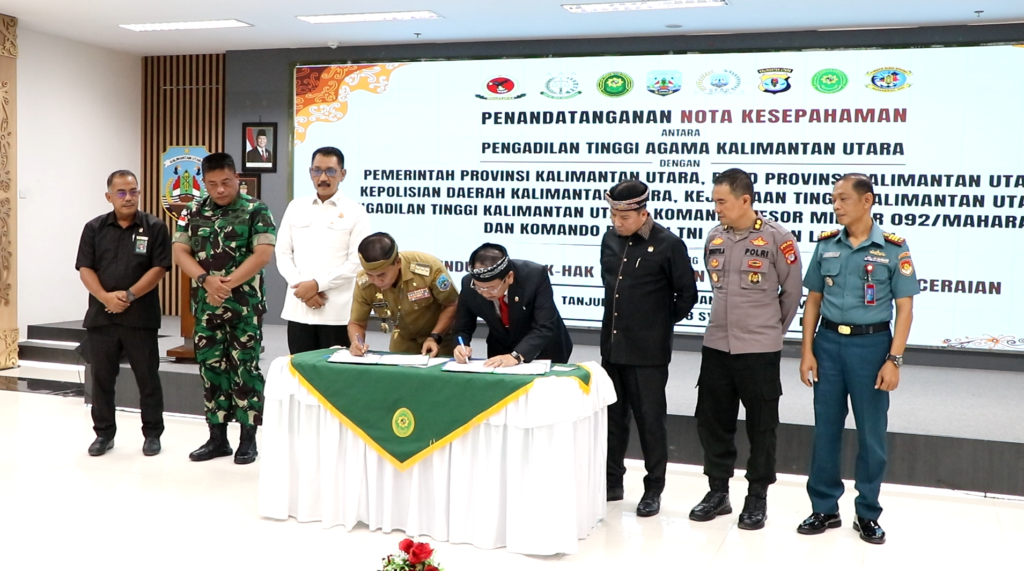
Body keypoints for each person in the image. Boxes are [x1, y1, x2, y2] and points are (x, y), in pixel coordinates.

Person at [797, 173, 917, 545]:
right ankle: (824, 507)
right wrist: (806, 351)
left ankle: (867, 512)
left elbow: (905, 308)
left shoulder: (893, 249)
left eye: (844, 198)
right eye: (834, 199)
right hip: (829, 345)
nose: (836, 205)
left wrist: (894, 360)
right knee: (826, 430)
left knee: (871, 434)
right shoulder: (826, 245)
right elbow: (813, 302)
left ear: (867, 201)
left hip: (872, 347)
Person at [688, 168, 803, 530]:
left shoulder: (777, 238)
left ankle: (757, 497)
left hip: (759, 350)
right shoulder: (714, 237)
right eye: (715, 202)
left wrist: (768, 332)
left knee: (762, 426)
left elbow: (792, 293)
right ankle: (718, 491)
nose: (717, 208)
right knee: (712, 421)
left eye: (722, 201)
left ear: (745, 200)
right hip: (717, 346)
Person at [600, 179, 698, 517]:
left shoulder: (668, 244)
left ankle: (653, 489)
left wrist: (658, 324)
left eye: (624, 217)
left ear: (643, 214)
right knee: (613, 419)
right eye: (613, 216)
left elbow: (687, 295)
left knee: (650, 423)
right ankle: (611, 482)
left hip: (648, 354)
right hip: (613, 348)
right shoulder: (609, 240)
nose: (617, 223)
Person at [171, 152, 276, 465]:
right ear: (204, 182)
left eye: (226, 182)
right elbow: (180, 251)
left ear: (237, 178)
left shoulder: (256, 209)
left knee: (245, 370)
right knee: (211, 370)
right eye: (213, 183)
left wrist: (225, 285)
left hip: (244, 307)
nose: (220, 189)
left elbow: (262, 254)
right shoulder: (192, 210)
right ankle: (217, 438)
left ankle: (248, 438)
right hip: (207, 307)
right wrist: (206, 281)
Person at [76, 170, 170, 457]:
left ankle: (152, 434)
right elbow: (85, 268)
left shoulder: (155, 227)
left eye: (133, 191)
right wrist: (106, 297)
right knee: (102, 380)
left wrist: (128, 296)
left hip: (140, 317)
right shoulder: (93, 228)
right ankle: (103, 434)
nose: (128, 197)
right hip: (102, 316)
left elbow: (159, 268)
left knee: (148, 379)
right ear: (109, 197)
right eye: (121, 192)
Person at [276, 146, 371, 354]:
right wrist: (303, 289)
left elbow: (357, 262)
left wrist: (318, 285)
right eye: (317, 170)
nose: (323, 178)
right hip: (299, 310)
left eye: (330, 171)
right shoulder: (295, 207)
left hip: (337, 313)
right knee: (300, 369)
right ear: (310, 173)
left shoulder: (356, 212)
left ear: (342, 174)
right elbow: (282, 253)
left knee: (335, 370)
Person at [451, 243, 572, 366]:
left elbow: (544, 325)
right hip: (501, 349)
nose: (485, 293)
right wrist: (461, 346)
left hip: (542, 348)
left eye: (492, 288)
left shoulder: (534, 276)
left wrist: (516, 355)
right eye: (479, 288)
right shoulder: (468, 284)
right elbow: (462, 327)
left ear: (509, 277)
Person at [348, 233, 458, 357]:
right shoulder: (364, 283)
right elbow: (356, 323)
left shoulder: (429, 268)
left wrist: (434, 336)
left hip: (440, 337)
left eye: (382, 275)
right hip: (403, 338)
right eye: (370, 275)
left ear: (398, 263)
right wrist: (357, 343)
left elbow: (452, 304)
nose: (377, 281)